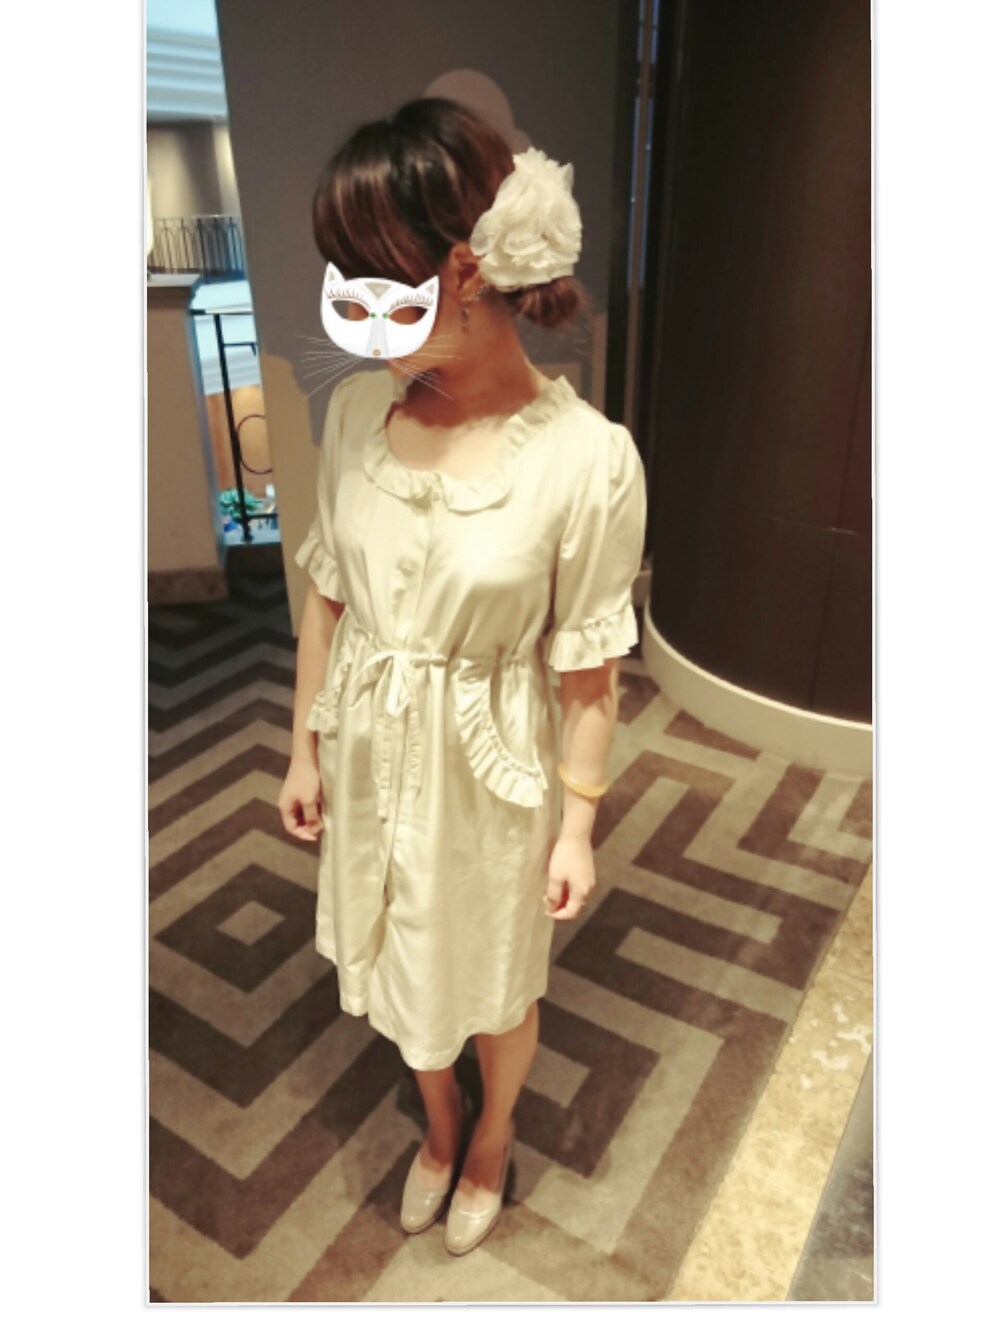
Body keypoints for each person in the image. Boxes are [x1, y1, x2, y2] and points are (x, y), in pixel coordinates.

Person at [277, 97, 647, 1257]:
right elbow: (328, 594)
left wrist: (578, 826)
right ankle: (437, 1123)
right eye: (343, 283)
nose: (360, 321)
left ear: (468, 267)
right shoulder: (356, 414)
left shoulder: (587, 460)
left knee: (491, 975)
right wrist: (303, 747)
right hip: (370, 745)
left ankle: (491, 1134)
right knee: (398, 953)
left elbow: (588, 664)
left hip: (491, 772)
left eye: (379, 281)